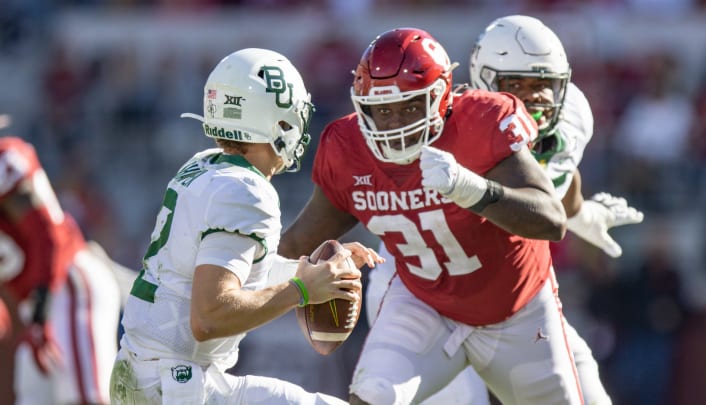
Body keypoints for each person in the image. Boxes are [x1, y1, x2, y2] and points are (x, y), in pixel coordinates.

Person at [280, 27, 585, 404]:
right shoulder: (347, 148)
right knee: (372, 396)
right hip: (424, 305)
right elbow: (297, 244)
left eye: (409, 106)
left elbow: (551, 219)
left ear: (441, 97)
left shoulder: (483, 120)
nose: (395, 123)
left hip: (519, 311)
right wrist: (231, 281)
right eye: (382, 110)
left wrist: (469, 188)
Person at [366, 15, 646, 405]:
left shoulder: (573, 117)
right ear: (483, 81)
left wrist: (580, 212)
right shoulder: (446, 129)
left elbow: (556, 173)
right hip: (425, 290)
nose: (532, 99)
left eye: (543, 85)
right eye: (515, 85)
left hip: (512, 296)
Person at [109, 48, 380, 405]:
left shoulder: (204, 165)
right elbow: (209, 316)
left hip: (147, 374)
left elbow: (222, 273)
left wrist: (312, 271)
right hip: (175, 385)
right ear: (277, 123)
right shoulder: (245, 190)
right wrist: (301, 289)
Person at [0, 121, 123, 403]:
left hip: (67, 285)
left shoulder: (6, 160)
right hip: (32, 308)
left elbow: (48, 234)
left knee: (86, 398)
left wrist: (43, 299)